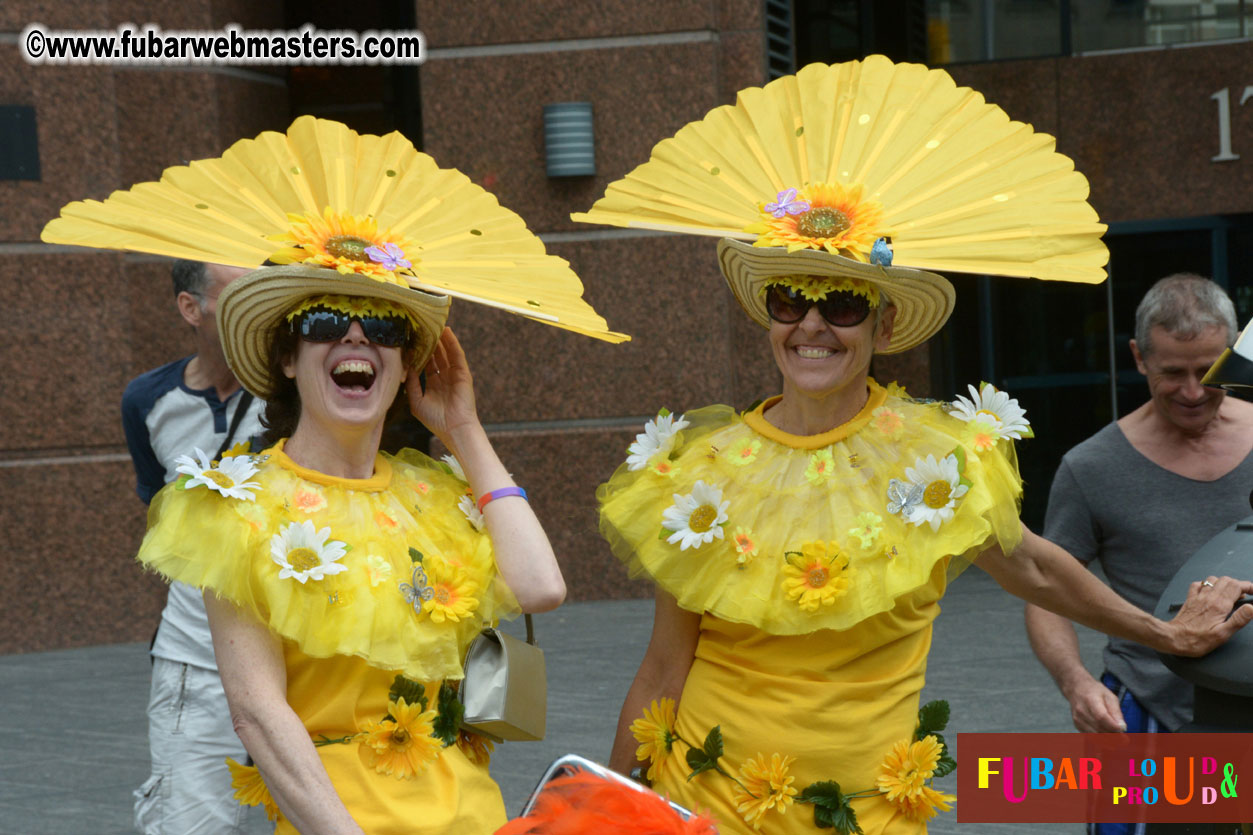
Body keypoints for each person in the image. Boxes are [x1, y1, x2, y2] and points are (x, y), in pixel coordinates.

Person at [574, 58, 1253, 834]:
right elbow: (664, 666)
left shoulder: (936, 463)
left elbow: (1029, 564)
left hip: (865, 812)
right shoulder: (697, 469)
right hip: (709, 805)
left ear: (884, 324)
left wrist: (1164, 633)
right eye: (789, 298)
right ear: (766, 314)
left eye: (842, 302)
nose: (811, 325)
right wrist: (602, 805)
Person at [43, 116, 626, 834]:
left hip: (470, 815)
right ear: (288, 357)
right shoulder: (236, 507)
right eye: (325, 319)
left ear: (404, 363)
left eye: (383, 325)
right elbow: (258, 712)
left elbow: (542, 586)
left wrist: (465, 430)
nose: (356, 337)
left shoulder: (436, 492)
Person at [1024, 275, 1253, 746]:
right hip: (1150, 713)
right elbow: (1044, 593)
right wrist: (1077, 683)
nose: (1192, 392)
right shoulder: (1090, 467)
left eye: (1209, 371)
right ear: (1138, 357)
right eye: (1172, 373)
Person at [122, 259, 265, 834]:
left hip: (313, 653)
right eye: (237, 295)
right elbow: (160, 515)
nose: (256, 308)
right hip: (197, 656)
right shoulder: (147, 401)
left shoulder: (305, 389)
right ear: (191, 308)